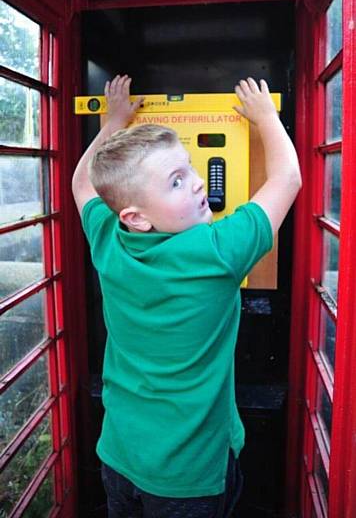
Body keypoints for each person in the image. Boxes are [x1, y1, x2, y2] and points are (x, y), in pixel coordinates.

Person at [72, 73, 301, 518]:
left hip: (118, 456)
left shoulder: (107, 238)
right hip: (190, 476)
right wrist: (265, 117)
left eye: (192, 168)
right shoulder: (215, 252)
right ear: (136, 216)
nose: (198, 183)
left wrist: (111, 122)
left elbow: (82, 185)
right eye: (176, 182)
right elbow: (288, 178)